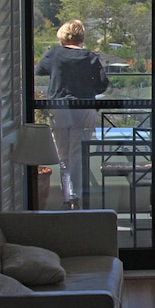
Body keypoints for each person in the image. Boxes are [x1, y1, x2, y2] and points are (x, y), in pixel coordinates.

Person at [35, 19, 109, 209]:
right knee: (78, 154)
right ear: (81, 36)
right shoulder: (89, 56)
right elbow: (103, 83)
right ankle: (77, 197)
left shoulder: (54, 54)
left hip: (60, 108)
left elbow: (38, 70)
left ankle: (67, 199)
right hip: (83, 108)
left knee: (64, 157)